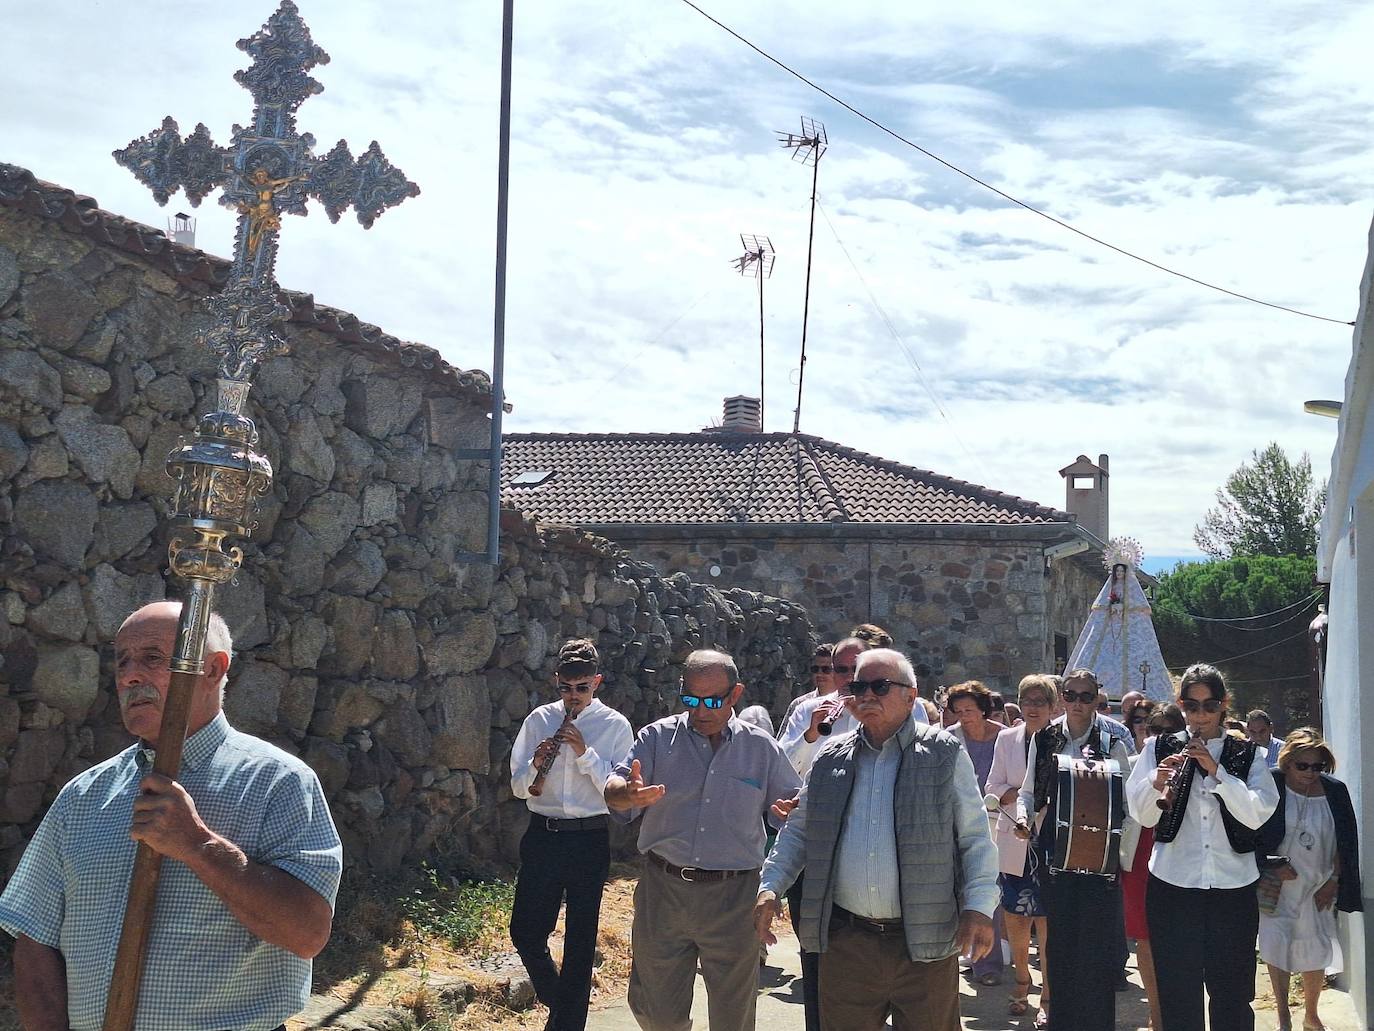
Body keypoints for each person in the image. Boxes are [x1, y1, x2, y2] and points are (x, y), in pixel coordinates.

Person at [0, 601, 342, 1031]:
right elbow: (35, 942)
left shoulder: (278, 782)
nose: (130, 676)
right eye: (122, 661)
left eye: (153, 658)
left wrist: (197, 845)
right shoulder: (83, 796)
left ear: (214, 669)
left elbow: (307, 933)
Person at [753, 648, 999, 1031]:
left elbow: (974, 836)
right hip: (848, 944)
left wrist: (979, 907)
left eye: (880, 686)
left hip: (926, 942)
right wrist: (770, 888)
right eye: (858, 687)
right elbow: (799, 830)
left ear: (910, 695)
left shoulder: (944, 753)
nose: (867, 695)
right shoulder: (830, 757)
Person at [605, 649, 800, 1031]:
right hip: (663, 891)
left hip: (734, 896)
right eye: (691, 700)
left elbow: (796, 808)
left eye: (713, 700)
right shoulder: (657, 738)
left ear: (735, 695)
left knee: (733, 1015)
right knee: (656, 1011)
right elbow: (616, 787)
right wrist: (625, 793)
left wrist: (788, 811)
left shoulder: (760, 748)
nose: (701, 710)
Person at [1126, 663, 1280, 1031]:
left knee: (1232, 992)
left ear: (1223, 705)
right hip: (1173, 886)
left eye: (1209, 706)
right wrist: (1156, 779)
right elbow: (1142, 815)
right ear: (1181, 707)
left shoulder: (1247, 754)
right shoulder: (1159, 748)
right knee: (1178, 991)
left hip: (1232, 888)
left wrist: (1219, 773)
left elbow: (1258, 812)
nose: (1200, 715)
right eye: (1191, 707)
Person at [509, 639, 633, 1031]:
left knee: (580, 940)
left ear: (596, 682)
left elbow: (619, 789)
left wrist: (584, 754)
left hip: (588, 836)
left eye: (582, 688)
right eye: (566, 688)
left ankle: (565, 1024)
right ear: (556, 682)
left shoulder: (614, 725)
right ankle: (562, 1003)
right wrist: (535, 765)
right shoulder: (539, 720)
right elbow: (517, 787)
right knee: (525, 931)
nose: (573, 697)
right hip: (543, 834)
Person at [1015, 668, 1133, 1031]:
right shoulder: (1045, 738)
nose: (1078, 703)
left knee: (1096, 949)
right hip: (1055, 852)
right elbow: (1028, 792)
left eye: (1086, 696)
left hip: (1101, 858)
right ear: (1061, 697)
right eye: (1071, 695)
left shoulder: (1114, 739)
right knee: (1060, 946)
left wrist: (1118, 853)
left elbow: (1128, 803)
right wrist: (1024, 817)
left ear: (1097, 698)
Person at [1258, 728, 1362, 1031]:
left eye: (1317, 766)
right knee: (1276, 946)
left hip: (1318, 885)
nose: (1310, 772)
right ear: (1287, 762)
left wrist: (1335, 881)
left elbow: (1346, 841)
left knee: (1315, 949)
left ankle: (1311, 1014)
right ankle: (1283, 1017)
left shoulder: (1334, 791)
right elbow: (1254, 834)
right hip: (1277, 885)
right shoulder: (1271, 785)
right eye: (1302, 766)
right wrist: (1271, 865)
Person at [984, 674, 1056, 1023]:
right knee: (1015, 915)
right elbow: (993, 786)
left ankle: (1048, 992)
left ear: (1053, 705)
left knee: (1047, 919)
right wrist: (1017, 794)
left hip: (1052, 841)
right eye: (1026, 700)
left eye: (1040, 701)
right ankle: (1021, 980)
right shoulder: (1006, 738)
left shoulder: (1062, 740)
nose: (1032, 707)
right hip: (1014, 836)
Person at [1120, 702, 1186, 1031]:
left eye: (1168, 729)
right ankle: (1157, 1013)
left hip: (1178, 855)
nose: (1159, 736)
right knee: (1145, 939)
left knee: (1177, 939)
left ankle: (1175, 1009)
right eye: (1152, 727)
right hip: (1139, 855)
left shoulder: (1196, 767)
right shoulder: (1133, 765)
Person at [946, 680, 1006, 986]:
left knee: (989, 892)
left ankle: (988, 964)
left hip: (1001, 823)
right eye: (958, 711)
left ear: (983, 709)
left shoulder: (1005, 737)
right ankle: (966, 953)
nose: (964, 716)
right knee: (962, 889)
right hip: (961, 824)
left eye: (969, 709)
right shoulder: (948, 739)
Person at [778, 643, 836, 737]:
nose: (819, 674)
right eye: (815, 669)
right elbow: (782, 741)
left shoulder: (847, 704)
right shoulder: (798, 704)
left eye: (826, 669)